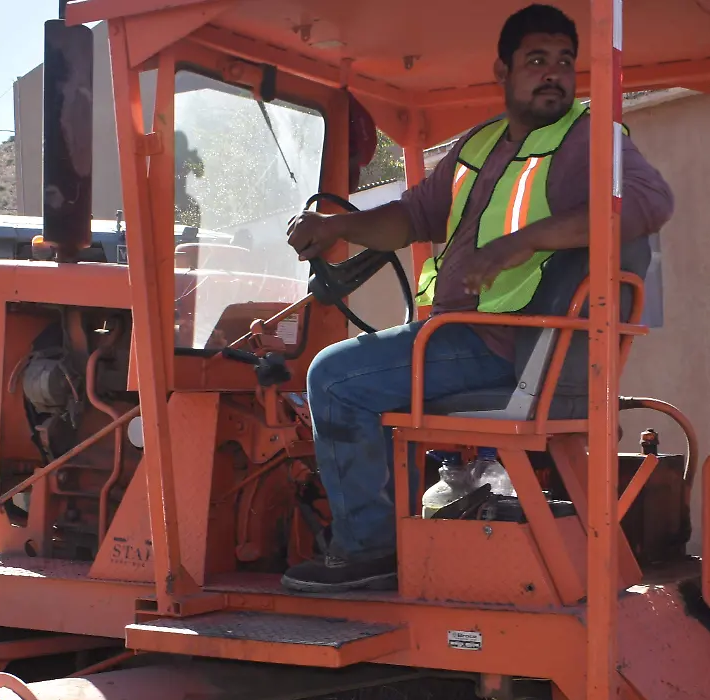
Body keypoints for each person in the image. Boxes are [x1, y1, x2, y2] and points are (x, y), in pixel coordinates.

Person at [280, 3, 673, 593]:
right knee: (368, 381)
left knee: (333, 378)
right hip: (469, 334)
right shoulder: (481, 145)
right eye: (536, 60)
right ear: (504, 71)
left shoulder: (587, 139)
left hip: (501, 342)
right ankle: (403, 534)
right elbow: (411, 217)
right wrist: (340, 227)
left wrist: (519, 244)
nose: (554, 74)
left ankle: (369, 549)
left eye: (565, 62)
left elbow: (647, 203)